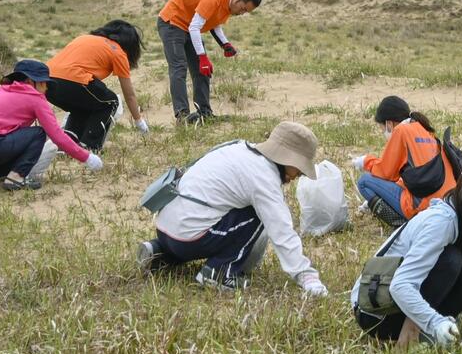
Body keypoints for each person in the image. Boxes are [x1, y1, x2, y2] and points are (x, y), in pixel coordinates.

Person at [351, 154, 462, 347]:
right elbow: (400, 285)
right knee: (450, 260)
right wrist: (435, 322)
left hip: (406, 303)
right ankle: (410, 338)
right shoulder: (442, 221)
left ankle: (426, 333)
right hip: (376, 313)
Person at [137, 121, 328, 295]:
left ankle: (159, 253)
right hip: (190, 238)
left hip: (165, 229)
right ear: (286, 159)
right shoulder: (263, 178)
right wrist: (306, 276)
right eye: (299, 168)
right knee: (256, 214)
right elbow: (281, 230)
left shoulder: (238, 148)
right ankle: (219, 274)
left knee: (214, 213)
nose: (299, 175)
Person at [0, 60, 103, 190]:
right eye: (43, 82)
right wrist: (87, 157)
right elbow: (57, 136)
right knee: (38, 133)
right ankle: (16, 178)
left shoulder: (1, 91)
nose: (46, 87)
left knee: (10, 139)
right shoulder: (35, 98)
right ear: (31, 82)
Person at [157, 0, 262, 124]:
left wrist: (225, 44)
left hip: (189, 26)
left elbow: (214, 22)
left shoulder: (228, 3)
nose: (242, 13)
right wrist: (203, 57)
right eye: (243, 9)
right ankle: (182, 117)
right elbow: (195, 27)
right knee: (179, 68)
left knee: (203, 71)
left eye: (246, 12)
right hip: (172, 22)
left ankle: (204, 113)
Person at [352, 96, 457, 227]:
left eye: (382, 128)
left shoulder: (401, 131)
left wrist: (366, 161)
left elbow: (386, 173)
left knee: (364, 182)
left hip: (423, 206)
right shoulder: (426, 130)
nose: (383, 132)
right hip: (448, 203)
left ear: (389, 124)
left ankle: (402, 224)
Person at [46, 20, 148, 151]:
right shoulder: (118, 51)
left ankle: (67, 146)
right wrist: (139, 121)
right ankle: (90, 146)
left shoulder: (84, 38)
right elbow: (130, 95)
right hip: (73, 80)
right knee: (110, 101)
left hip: (46, 83)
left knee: (84, 106)